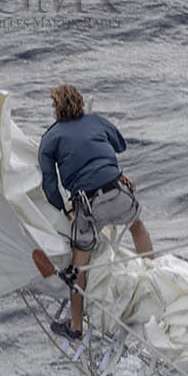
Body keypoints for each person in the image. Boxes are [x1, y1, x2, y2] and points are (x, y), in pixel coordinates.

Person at [38, 83, 153, 340]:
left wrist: (63, 211)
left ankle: (76, 326)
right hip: (117, 191)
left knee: (81, 266)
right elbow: (120, 144)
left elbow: (49, 185)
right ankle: (156, 274)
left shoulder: (49, 139)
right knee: (137, 226)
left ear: (56, 109)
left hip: (87, 206)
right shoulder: (96, 121)